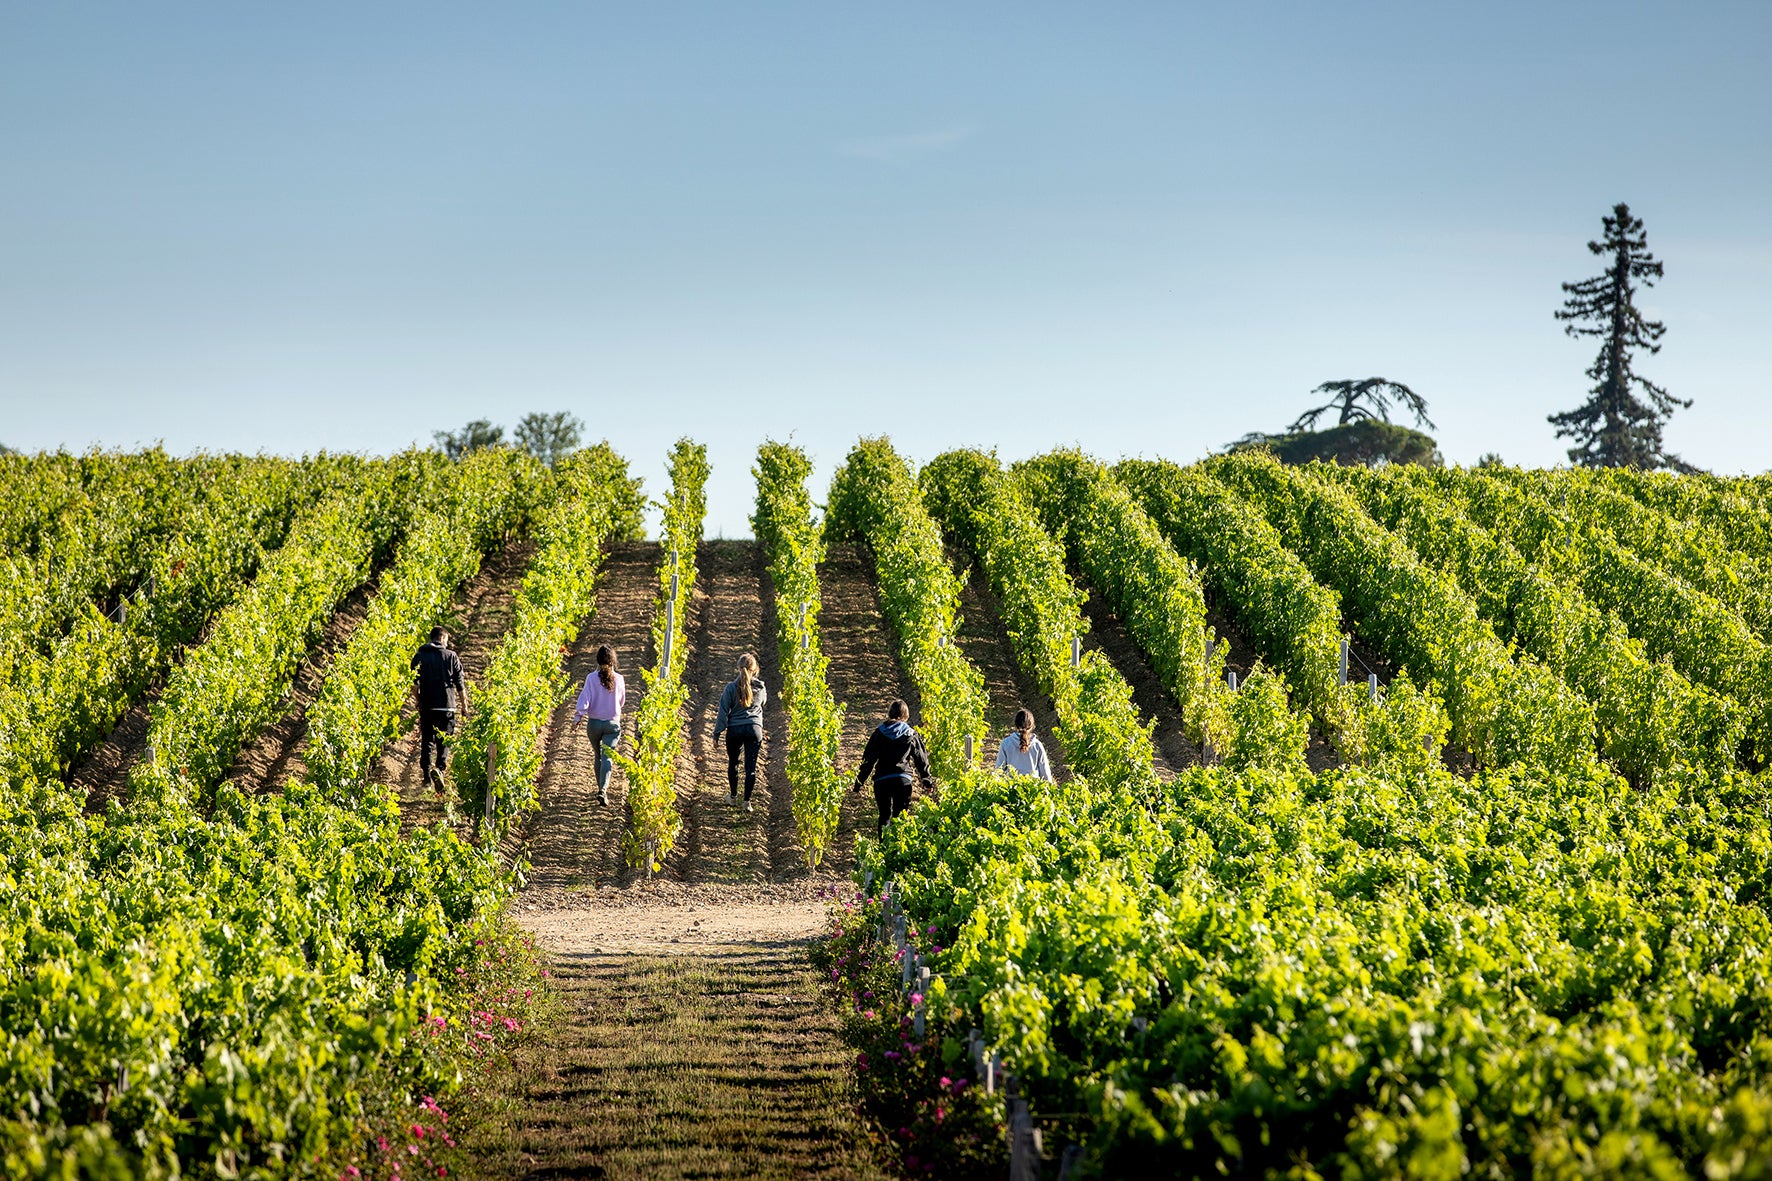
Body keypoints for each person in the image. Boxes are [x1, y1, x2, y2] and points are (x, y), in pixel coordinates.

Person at [852, 699, 934, 835]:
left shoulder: (878, 733)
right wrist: (926, 780)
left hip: (882, 781)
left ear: (889, 714)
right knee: (900, 818)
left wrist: (859, 782)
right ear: (906, 715)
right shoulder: (911, 734)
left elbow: (868, 760)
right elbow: (921, 759)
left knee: (884, 816)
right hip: (903, 780)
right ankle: (898, 851)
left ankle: (883, 850)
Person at [411, 625, 467, 794]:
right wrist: (464, 705)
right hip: (447, 706)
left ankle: (427, 778)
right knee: (444, 740)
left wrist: (419, 701)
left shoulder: (419, 656)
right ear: (442, 639)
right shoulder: (451, 656)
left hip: (428, 706)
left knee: (427, 740)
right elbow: (460, 685)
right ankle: (440, 769)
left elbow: (414, 685)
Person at [712, 653, 767, 811]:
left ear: (738, 668)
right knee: (751, 767)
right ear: (754, 669)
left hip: (735, 729)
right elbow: (763, 702)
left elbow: (723, 712)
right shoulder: (760, 687)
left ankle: (733, 797)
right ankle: (747, 802)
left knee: (733, 763)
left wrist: (717, 734)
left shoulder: (730, 688)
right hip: (754, 729)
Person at [572, 644, 626, 806]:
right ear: (613, 661)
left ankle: (600, 788)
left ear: (597, 660)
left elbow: (585, 700)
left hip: (594, 724)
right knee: (607, 756)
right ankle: (603, 790)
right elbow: (622, 701)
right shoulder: (619, 679)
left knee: (598, 756)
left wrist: (578, 717)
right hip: (612, 725)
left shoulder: (591, 678)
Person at [994, 708, 1053, 782]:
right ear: (1032, 725)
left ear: (1015, 724)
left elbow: (999, 770)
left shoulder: (1006, 744)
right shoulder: (1037, 745)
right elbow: (1045, 772)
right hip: (1033, 789)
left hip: (1011, 789)